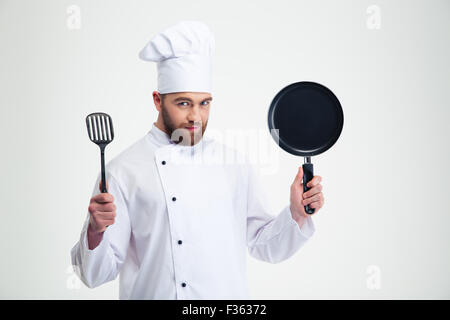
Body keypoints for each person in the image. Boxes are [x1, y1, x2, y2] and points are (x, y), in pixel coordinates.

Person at [71, 21, 325, 300]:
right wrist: (96, 232)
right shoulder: (122, 171)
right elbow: (95, 275)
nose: (195, 116)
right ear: (157, 100)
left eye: (204, 103)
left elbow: (264, 246)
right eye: (183, 103)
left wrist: (297, 213)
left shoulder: (234, 164)